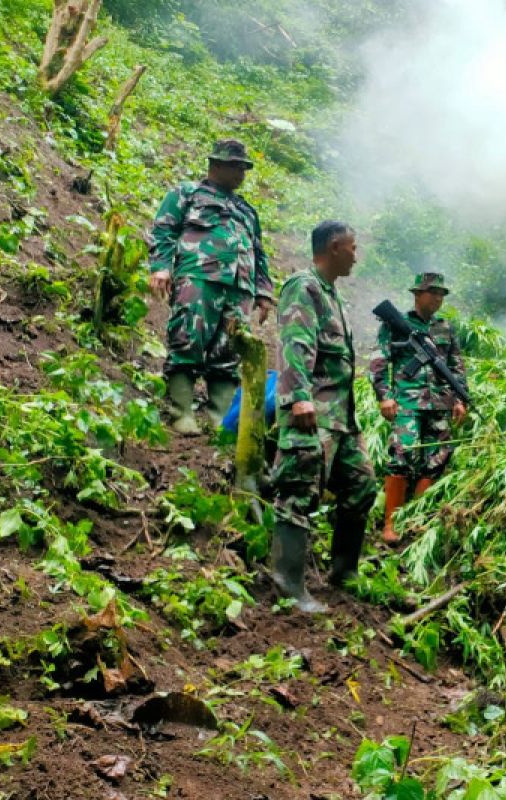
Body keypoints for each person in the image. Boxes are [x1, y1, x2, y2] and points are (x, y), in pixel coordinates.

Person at [269, 221, 378, 613]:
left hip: (341, 419)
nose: (355, 254)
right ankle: (288, 583)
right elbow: (295, 343)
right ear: (334, 247)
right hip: (311, 411)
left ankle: (343, 573)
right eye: (352, 247)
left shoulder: (333, 295)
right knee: (298, 489)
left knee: (362, 485)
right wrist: (299, 398)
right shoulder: (305, 286)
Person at [147, 139, 274, 435]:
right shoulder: (187, 193)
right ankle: (180, 411)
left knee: (228, 351)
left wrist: (264, 291)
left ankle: (220, 417)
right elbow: (163, 229)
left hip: (239, 287)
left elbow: (258, 251)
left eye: (244, 168)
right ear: (216, 164)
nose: (242, 173)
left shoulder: (246, 210)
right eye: (236, 167)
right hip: (199, 277)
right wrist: (162, 267)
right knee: (188, 339)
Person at [370, 273, 468, 544]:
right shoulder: (396, 324)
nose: (438, 298)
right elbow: (379, 361)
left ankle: (413, 519)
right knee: (402, 456)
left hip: (440, 404)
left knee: (436, 460)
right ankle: (390, 524)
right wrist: (384, 396)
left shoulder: (445, 328)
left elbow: (456, 367)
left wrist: (461, 399)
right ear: (417, 294)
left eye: (441, 294)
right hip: (408, 403)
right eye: (432, 292)